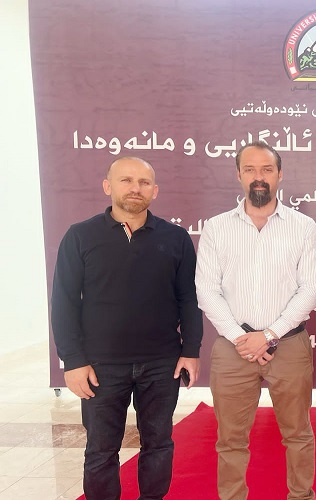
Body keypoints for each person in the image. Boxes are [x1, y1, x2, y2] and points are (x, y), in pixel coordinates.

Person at [51, 157, 203, 500]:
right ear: (108, 186)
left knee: (158, 445)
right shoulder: (80, 236)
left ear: (155, 191)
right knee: (101, 450)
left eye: (144, 182)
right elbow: (63, 302)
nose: (136, 188)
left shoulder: (176, 238)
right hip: (100, 366)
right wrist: (73, 360)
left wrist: (191, 350)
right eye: (126, 180)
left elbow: (189, 299)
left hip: (162, 364)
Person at [195, 141, 316, 500]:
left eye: (266, 169)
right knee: (230, 439)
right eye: (250, 169)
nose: (258, 177)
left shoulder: (303, 227)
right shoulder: (217, 228)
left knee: (298, 434)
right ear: (239, 175)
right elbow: (206, 290)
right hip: (233, 349)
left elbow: (310, 289)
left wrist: (269, 334)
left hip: (289, 345)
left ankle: (301, 496)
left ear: (280, 175)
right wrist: (241, 337)